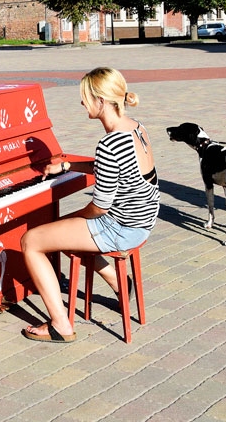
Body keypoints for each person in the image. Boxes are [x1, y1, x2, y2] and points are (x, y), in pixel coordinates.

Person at [20, 67, 160, 342]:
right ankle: (119, 283)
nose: (81, 102)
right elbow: (114, 169)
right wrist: (70, 165)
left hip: (121, 226)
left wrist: (69, 220)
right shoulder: (136, 127)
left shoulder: (109, 143)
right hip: (143, 218)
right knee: (64, 233)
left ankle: (61, 325)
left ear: (101, 101)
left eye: (85, 97)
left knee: (32, 241)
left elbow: (100, 208)